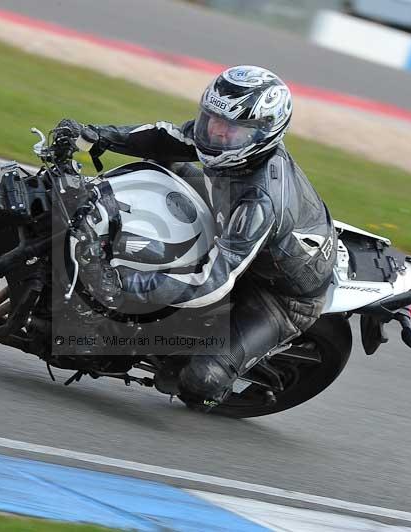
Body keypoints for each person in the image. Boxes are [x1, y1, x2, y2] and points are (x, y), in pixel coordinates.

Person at [61, 65, 336, 407]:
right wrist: (93, 135)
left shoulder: (261, 201)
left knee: (201, 380)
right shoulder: (224, 144)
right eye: (212, 119)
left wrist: (122, 282)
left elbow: (213, 281)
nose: (217, 133)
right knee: (163, 164)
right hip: (228, 219)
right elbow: (166, 138)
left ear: (264, 134)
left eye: (231, 129)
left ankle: (184, 352)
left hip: (278, 294)